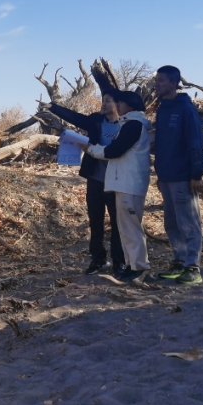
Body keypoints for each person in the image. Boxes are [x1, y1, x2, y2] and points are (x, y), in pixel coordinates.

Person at [42, 94, 126, 275]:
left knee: (118, 223)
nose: (103, 104)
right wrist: (53, 107)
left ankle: (119, 261)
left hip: (117, 180)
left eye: (108, 101)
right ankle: (98, 260)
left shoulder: (126, 125)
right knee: (95, 222)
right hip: (95, 179)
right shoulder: (96, 120)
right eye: (102, 100)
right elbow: (76, 118)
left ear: (118, 104)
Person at [83, 90, 152, 283]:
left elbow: (114, 151)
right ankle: (131, 265)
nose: (118, 105)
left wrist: (89, 149)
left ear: (131, 105)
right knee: (124, 228)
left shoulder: (134, 125)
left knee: (131, 228)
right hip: (123, 184)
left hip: (130, 184)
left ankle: (138, 267)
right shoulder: (128, 124)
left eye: (120, 102)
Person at [151, 65, 203, 285]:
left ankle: (193, 267)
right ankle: (179, 260)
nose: (157, 84)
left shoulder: (185, 108)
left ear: (174, 83)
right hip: (166, 176)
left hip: (184, 176)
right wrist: (159, 173)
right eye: (157, 80)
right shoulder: (163, 107)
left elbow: (195, 142)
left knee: (189, 223)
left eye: (162, 80)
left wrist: (197, 173)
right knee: (172, 223)